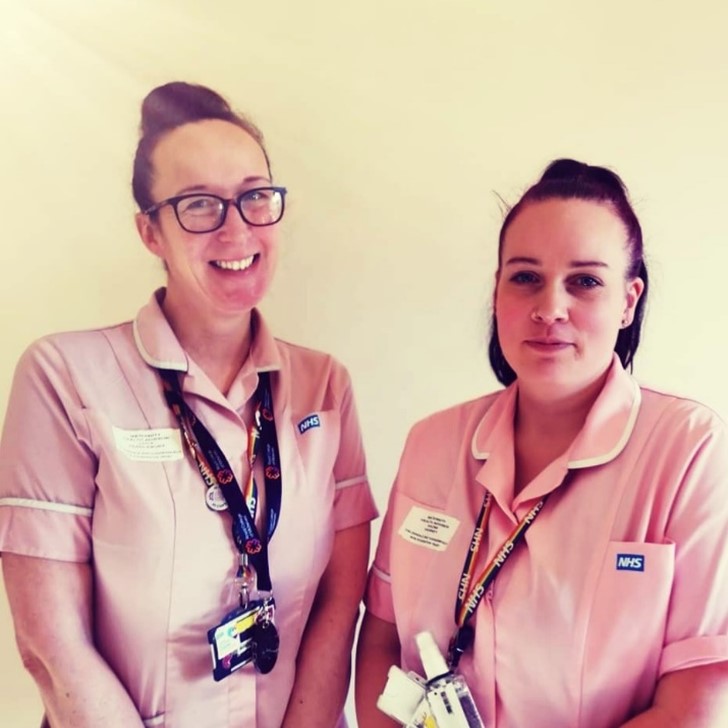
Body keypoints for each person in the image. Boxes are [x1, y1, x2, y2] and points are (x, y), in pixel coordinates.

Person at [0, 81, 377, 728]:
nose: (237, 229)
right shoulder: (64, 376)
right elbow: (52, 649)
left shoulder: (324, 385)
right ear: (151, 231)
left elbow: (339, 603)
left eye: (256, 197)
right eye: (199, 205)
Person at [356, 159, 728, 727]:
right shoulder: (432, 443)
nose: (549, 308)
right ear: (498, 290)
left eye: (585, 281)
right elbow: (382, 637)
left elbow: (699, 694)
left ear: (628, 301)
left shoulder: (690, 451)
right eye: (525, 276)